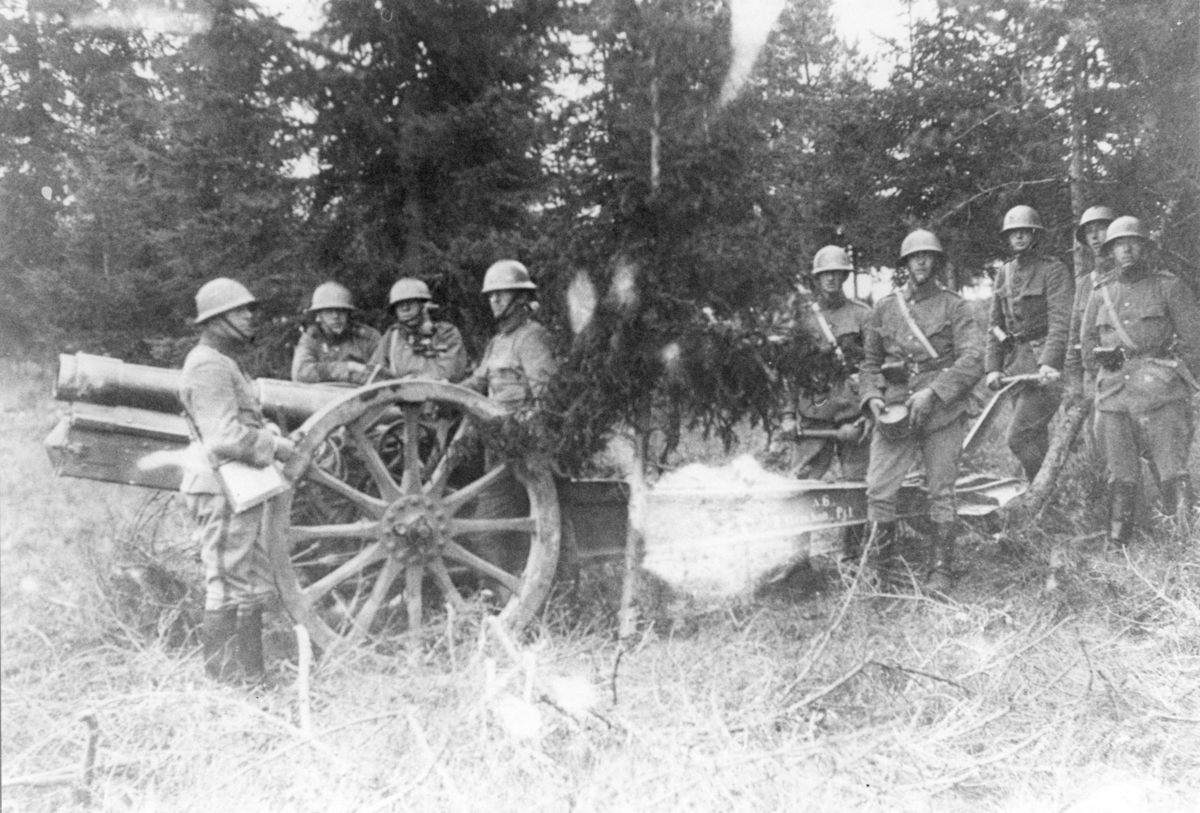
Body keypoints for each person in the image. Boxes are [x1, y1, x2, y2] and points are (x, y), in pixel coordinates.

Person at [179, 278, 296, 685]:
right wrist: (275, 446)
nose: (250, 316)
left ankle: (253, 679)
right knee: (228, 582)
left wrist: (268, 433)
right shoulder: (209, 364)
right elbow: (224, 437)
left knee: (248, 584)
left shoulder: (223, 361)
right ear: (217, 319)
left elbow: (240, 421)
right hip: (221, 486)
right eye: (240, 310)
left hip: (237, 486)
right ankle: (224, 685)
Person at [860, 230, 984, 592]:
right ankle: (879, 571)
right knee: (879, 489)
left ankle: (940, 570)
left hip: (942, 410)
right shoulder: (885, 308)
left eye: (928, 256)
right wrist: (872, 397)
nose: (921, 262)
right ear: (905, 263)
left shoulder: (955, 306)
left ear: (937, 262)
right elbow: (869, 364)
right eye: (915, 257)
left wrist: (934, 391)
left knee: (941, 490)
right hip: (895, 410)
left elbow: (973, 358)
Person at [1080, 216, 1200, 543]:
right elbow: (1087, 344)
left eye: (1133, 243)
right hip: (1114, 392)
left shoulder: (1169, 286)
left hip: (1161, 391)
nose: (1127, 250)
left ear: (1145, 248)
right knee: (1120, 472)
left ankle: (1184, 538)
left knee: (1171, 467)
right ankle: (1120, 542)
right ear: (1111, 251)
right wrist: (1103, 368)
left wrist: (1168, 373)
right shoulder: (1101, 293)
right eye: (1120, 244)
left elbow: (1194, 343)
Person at [774, 246, 872, 561]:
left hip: (851, 416)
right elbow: (789, 371)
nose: (831, 279)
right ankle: (798, 560)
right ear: (817, 278)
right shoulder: (802, 319)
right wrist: (787, 415)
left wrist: (869, 413)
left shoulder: (862, 315)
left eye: (837, 273)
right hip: (813, 417)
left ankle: (852, 557)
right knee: (801, 486)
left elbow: (873, 367)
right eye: (825, 274)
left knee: (856, 485)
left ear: (844, 276)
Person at [461, 260, 558, 576]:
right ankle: (506, 588)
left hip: (524, 448)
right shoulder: (498, 342)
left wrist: (523, 434)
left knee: (491, 524)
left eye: (501, 294)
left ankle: (507, 593)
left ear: (521, 298)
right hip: (498, 445)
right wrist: (437, 391)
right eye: (491, 295)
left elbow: (547, 396)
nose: (494, 300)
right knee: (495, 524)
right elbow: (478, 382)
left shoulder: (532, 338)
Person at [984, 205, 1074, 481]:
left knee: (1019, 437)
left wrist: (1049, 362)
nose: (1019, 237)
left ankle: (1041, 491)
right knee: (1034, 438)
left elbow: (1061, 322)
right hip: (1016, 366)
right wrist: (993, 367)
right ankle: (1044, 497)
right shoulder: (1005, 273)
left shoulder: (1053, 270)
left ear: (1036, 234)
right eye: (1014, 233)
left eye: (1025, 231)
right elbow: (995, 325)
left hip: (1045, 368)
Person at [369, 278, 469, 382]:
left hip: (437, 391)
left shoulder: (446, 333)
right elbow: (374, 372)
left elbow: (451, 372)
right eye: (400, 304)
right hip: (400, 391)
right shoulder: (393, 336)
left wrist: (416, 380)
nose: (405, 308)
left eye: (410, 302)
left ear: (424, 305)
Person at [1064, 206, 1115, 406]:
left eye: (1101, 228)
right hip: (1094, 378)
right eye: (1089, 232)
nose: (1094, 237)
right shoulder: (1085, 284)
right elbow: (1074, 337)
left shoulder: (1132, 279)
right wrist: (1074, 387)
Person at [290, 281, 381, 385]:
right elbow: (300, 373)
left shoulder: (367, 337)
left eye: (341, 310)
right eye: (329, 311)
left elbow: (381, 373)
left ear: (348, 313)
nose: (335, 316)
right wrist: (349, 367)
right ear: (319, 315)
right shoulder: (312, 338)